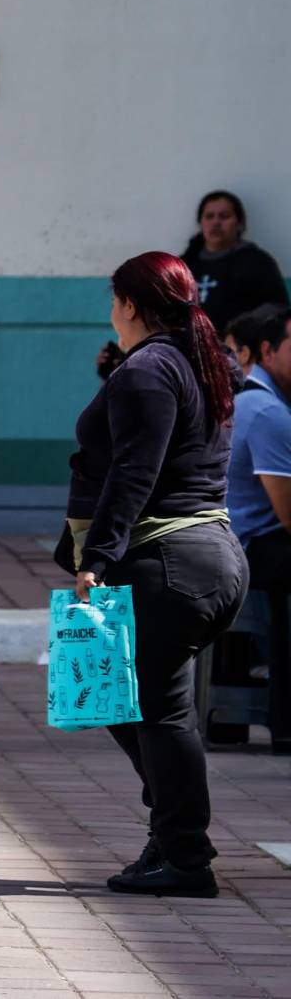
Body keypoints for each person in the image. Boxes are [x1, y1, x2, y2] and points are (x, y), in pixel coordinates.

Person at [59, 252, 248, 898]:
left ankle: (186, 858)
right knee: (118, 699)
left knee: (159, 713)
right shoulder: (200, 362)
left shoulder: (151, 370)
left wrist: (96, 559)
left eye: (114, 301)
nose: (111, 313)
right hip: (207, 557)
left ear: (132, 304)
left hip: (168, 560)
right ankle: (171, 831)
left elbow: (134, 472)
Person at [227, 304, 291, 749]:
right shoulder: (267, 411)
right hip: (244, 548)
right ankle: (285, 718)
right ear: (267, 352)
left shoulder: (255, 401)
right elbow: (289, 515)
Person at [182, 190, 286, 333]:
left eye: (224, 216)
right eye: (209, 216)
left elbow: (277, 305)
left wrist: (243, 325)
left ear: (240, 223)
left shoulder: (257, 261)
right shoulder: (184, 265)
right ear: (201, 223)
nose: (216, 222)